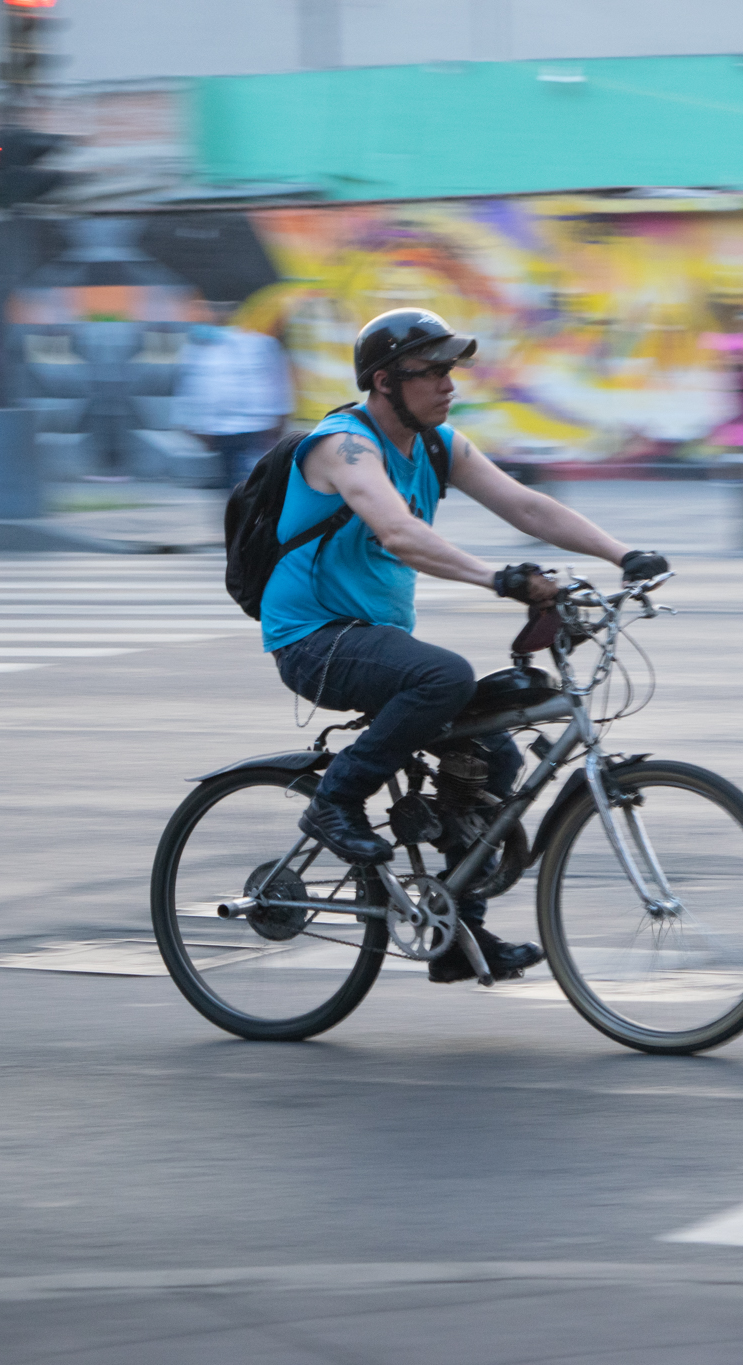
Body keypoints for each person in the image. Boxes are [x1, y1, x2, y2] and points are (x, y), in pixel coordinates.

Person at [263, 308, 669, 983]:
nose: (449, 385)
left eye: (450, 371)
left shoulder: (436, 445)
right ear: (386, 381)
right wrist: (498, 578)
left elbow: (526, 506)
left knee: (493, 748)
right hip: (315, 641)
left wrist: (622, 553)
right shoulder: (343, 447)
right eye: (432, 372)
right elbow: (400, 534)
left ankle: (458, 935)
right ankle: (335, 799)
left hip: (377, 640)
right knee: (444, 676)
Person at [175, 301, 295, 487]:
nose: (220, 314)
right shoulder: (201, 345)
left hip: (256, 425)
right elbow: (194, 383)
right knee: (232, 478)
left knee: (254, 478)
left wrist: (280, 416)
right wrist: (192, 422)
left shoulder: (261, 343)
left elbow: (277, 380)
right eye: (216, 309)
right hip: (221, 427)